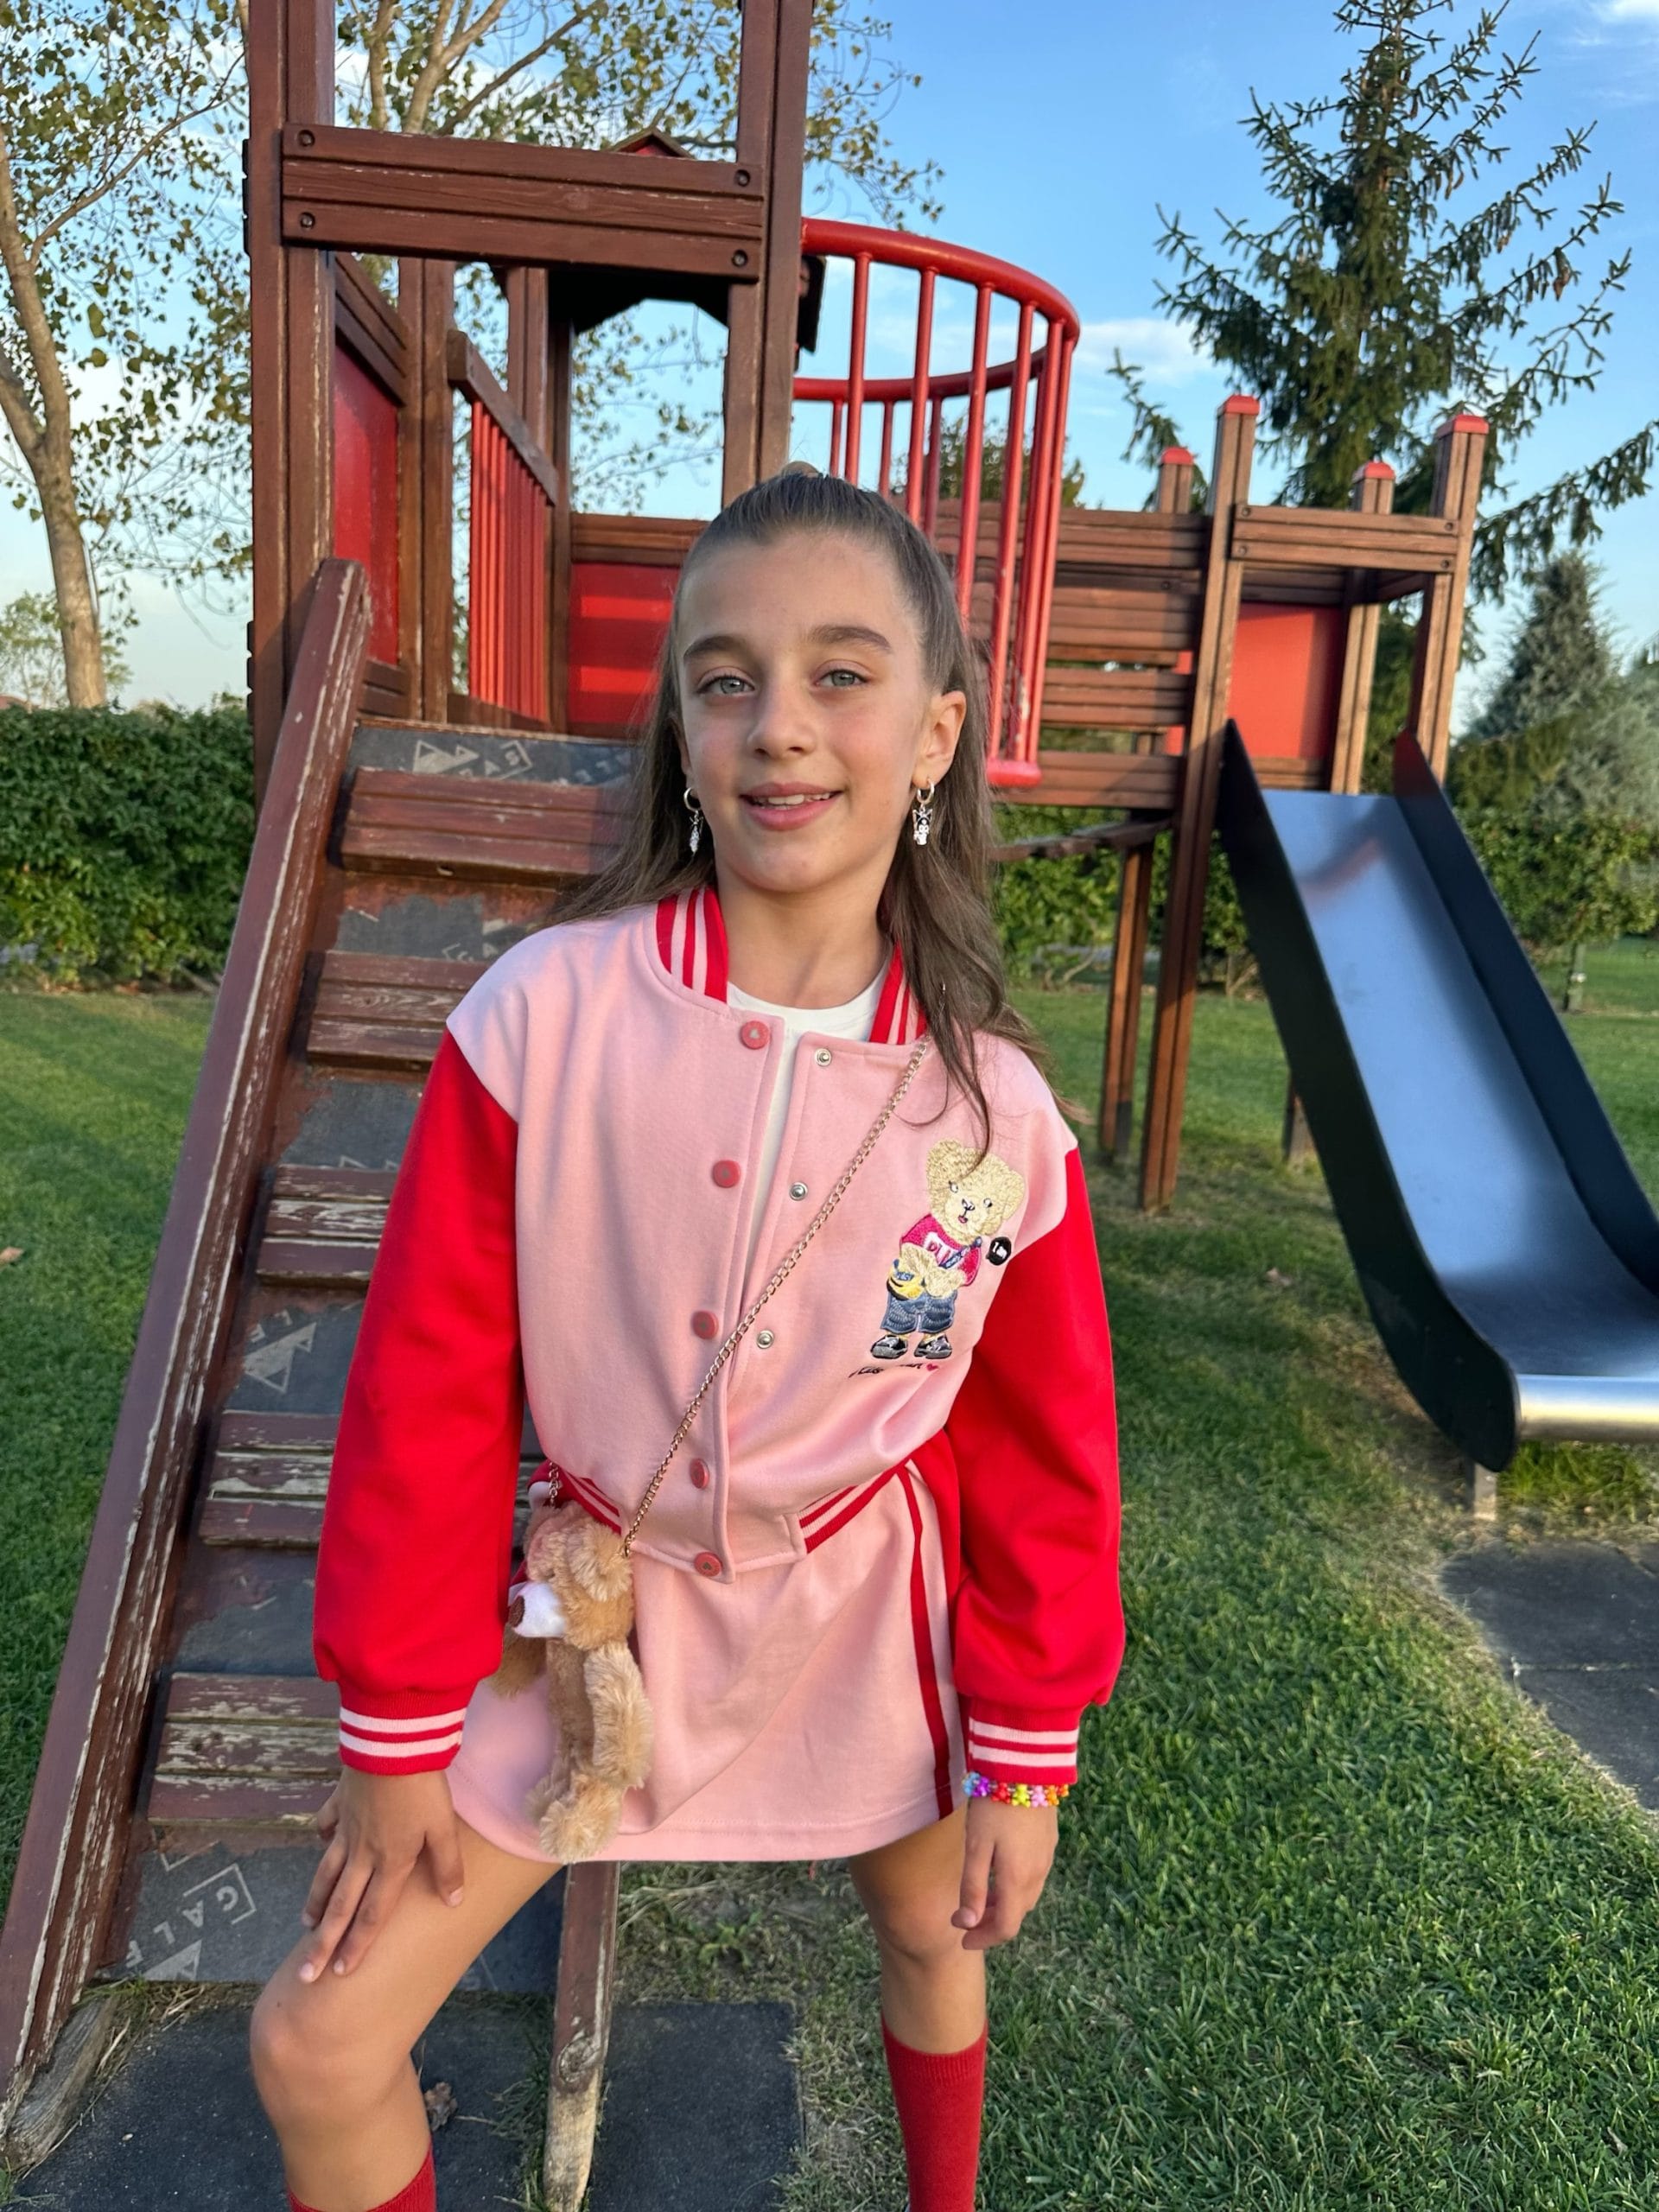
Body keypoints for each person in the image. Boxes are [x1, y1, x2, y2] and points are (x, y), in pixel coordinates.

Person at [249, 465, 1124, 2212]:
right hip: (591, 1621)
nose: (778, 724)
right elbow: (428, 1387)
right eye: (726, 679)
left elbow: (1043, 1455)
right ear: (679, 730)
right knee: (318, 2043)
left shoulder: (999, 1118)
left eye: (841, 674)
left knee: (936, 1933)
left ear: (936, 734)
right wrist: (397, 1724)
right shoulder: (542, 1019)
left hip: (865, 1623)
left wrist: (1024, 1751)